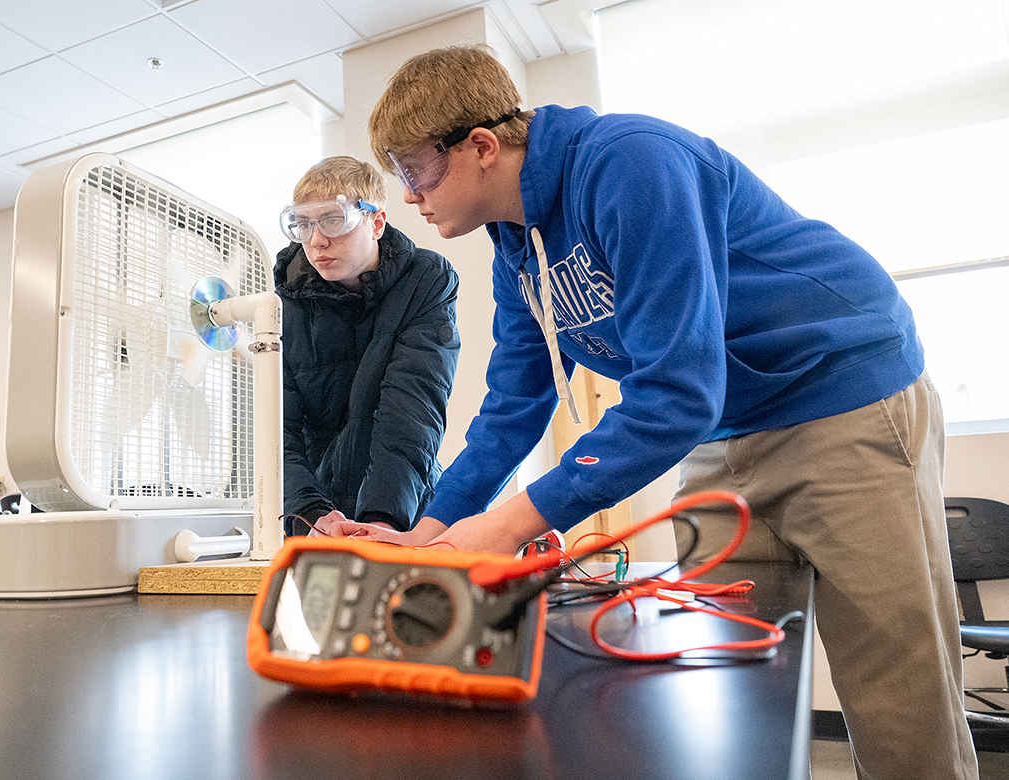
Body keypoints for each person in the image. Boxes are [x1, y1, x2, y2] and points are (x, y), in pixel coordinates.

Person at [333, 44, 978, 780]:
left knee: (897, 693)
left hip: (840, 396)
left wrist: (506, 527)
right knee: (729, 682)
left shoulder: (631, 163)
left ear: (482, 146)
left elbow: (675, 390)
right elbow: (515, 402)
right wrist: (435, 530)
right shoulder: (515, 242)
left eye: (414, 170)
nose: (410, 196)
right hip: (723, 424)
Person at [274, 155, 460, 538]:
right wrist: (310, 512)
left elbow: (411, 411)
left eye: (332, 220)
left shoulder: (426, 281)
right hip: (314, 515)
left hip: (403, 507)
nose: (316, 240)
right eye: (304, 224)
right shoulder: (283, 305)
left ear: (376, 222)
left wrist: (382, 519)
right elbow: (281, 429)